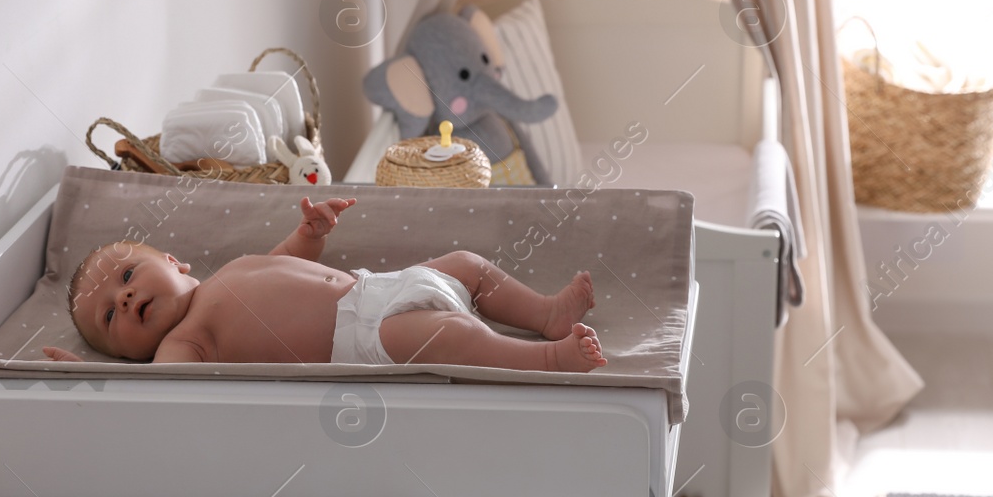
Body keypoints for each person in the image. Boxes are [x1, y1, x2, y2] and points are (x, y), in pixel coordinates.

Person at [43, 196, 606, 372]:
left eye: (126, 276)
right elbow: (165, 400)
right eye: (109, 319)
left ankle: (543, 313)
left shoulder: (225, 276)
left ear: (175, 261)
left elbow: (287, 260)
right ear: (122, 352)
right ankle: (548, 360)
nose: (123, 298)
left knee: (466, 263)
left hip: (379, 286)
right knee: (452, 336)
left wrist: (310, 234)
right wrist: (99, 379)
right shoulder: (183, 344)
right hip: (365, 338)